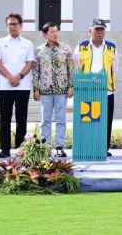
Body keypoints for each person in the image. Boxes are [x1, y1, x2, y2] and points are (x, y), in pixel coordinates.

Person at [0, 13, 35, 158]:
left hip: (23, 86)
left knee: (22, 118)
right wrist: (10, 77)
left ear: (21, 26)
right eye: (10, 24)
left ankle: (21, 149)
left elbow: (30, 63)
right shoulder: (0, 42)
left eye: (15, 24)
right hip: (5, 86)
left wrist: (19, 76)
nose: (12, 27)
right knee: (5, 119)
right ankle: (5, 149)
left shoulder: (28, 44)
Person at [74, 18, 118, 156]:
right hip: (87, 90)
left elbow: (115, 68)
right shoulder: (81, 46)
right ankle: (88, 147)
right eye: (96, 29)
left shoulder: (111, 47)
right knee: (88, 120)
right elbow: (76, 67)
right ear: (90, 31)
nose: (99, 32)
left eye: (102, 30)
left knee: (105, 121)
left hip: (106, 90)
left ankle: (103, 149)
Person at [33, 22, 73, 157]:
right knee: (45, 120)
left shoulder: (66, 49)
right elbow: (36, 71)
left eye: (57, 31)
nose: (55, 34)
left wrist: (71, 86)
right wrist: (36, 89)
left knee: (61, 119)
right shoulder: (39, 51)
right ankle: (45, 147)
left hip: (62, 90)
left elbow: (71, 70)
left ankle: (60, 147)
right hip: (45, 91)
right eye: (52, 32)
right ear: (45, 34)